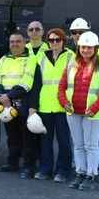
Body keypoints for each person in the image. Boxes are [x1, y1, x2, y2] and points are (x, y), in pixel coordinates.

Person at [59, 31, 99, 191]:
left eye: (89, 47)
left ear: (95, 48)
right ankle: (80, 173)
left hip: (94, 114)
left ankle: (91, 174)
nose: (86, 50)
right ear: (79, 48)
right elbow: (62, 87)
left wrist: (95, 108)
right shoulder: (71, 64)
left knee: (91, 146)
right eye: (83, 47)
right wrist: (64, 103)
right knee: (78, 145)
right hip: (73, 112)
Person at [28, 28, 73, 182]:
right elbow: (36, 83)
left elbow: (74, 82)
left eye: (57, 40)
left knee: (64, 141)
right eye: (51, 40)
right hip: (45, 105)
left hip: (63, 106)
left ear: (63, 41)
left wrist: (70, 102)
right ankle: (45, 169)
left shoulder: (71, 57)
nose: (54, 43)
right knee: (45, 141)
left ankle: (63, 171)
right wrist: (33, 106)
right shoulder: (41, 57)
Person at [0, 33, 38, 178]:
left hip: (22, 101)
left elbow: (27, 82)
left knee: (27, 136)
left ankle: (28, 167)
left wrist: (8, 96)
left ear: (25, 43)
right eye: (12, 42)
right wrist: (2, 95)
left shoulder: (31, 59)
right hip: (6, 101)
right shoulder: (4, 58)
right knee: (11, 134)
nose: (14, 44)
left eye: (18, 41)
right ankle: (12, 163)